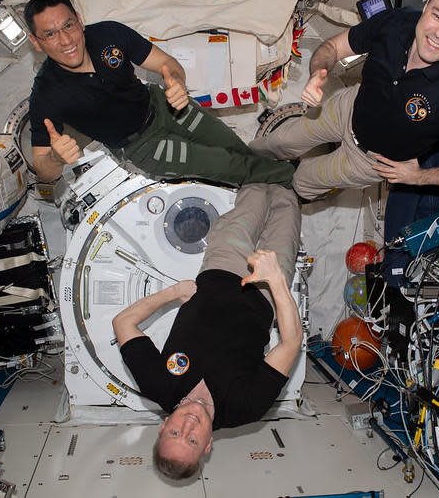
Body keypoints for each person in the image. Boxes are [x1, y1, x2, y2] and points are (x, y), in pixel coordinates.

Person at [112, 183, 302, 480]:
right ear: (208, 445)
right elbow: (290, 344)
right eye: (192, 439)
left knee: (255, 194)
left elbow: (123, 323)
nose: (188, 425)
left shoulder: (157, 384)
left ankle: (267, 150)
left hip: (221, 266)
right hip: (266, 291)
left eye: (175, 431)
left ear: (162, 427)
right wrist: (276, 279)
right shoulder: (245, 407)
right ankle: (292, 170)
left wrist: (173, 292)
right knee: (287, 204)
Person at [248, 0, 439, 202]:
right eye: (438, 16)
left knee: (302, 180)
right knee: (278, 141)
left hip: (369, 161)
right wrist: (318, 73)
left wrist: (419, 177)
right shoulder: (396, 22)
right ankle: (245, 159)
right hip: (344, 110)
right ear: (426, 7)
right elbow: (334, 48)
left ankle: (278, 196)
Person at [24, 0, 294, 186]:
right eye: (50, 34)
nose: (65, 40)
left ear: (79, 21)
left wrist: (175, 81)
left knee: (233, 146)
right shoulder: (47, 94)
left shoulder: (110, 34)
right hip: (143, 146)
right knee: (224, 164)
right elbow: (43, 170)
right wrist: (56, 158)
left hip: (165, 105)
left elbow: (167, 63)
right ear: (37, 42)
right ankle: (297, 181)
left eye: (68, 25)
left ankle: (265, 181)